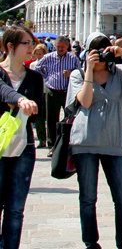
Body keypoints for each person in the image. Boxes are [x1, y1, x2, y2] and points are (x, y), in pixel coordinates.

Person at [67, 32, 122, 249]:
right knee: (88, 198)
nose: (100, 56)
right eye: (96, 51)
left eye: (104, 50)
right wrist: (89, 71)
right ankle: (91, 243)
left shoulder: (119, 72)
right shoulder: (78, 74)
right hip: (85, 142)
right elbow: (85, 101)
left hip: (115, 143)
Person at [0, 27, 43, 249]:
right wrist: (19, 101)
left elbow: (39, 115)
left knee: (16, 209)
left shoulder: (35, 77)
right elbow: (4, 91)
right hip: (0, 145)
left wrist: (28, 108)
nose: (31, 47)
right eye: (26, 43)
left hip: (23, 146)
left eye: (32, 42)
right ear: (10, 46)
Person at [30, 34, 80, 156]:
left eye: (62, 47)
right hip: (52, 91)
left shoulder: (73, 58)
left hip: (67, 91)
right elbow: (37, 68)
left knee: (70, 118)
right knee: (51, 119)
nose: (60, 49)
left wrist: (71, 73)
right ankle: (52, 146)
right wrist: (47, 77)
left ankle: (69, 143)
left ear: (67, 46)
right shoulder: (48, 57)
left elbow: (80, 71)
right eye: (58, 46)